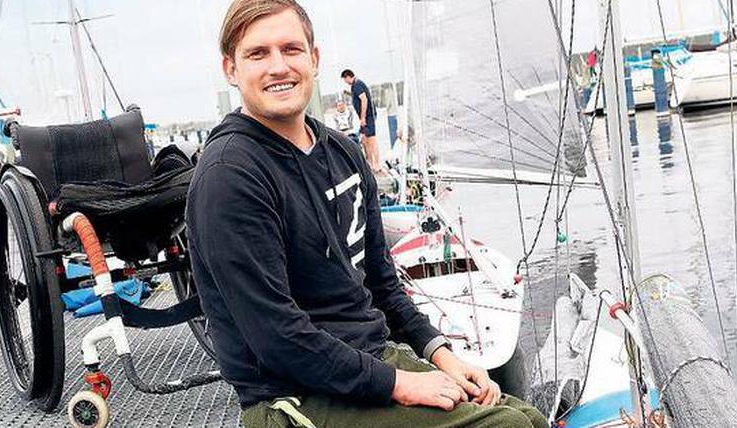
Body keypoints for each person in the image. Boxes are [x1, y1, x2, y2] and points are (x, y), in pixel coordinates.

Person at [187, 1, 546, 427]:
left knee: (527, 416)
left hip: (371, 359)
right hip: (292, 395)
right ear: (231, 69)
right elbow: (275, 336)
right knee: (507, 427)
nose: (278, 66)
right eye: (258, 54)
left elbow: (382, 284)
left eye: (291, 49)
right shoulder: (230, 176)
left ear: (314, 58)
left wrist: (441, 353)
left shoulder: (343, 153)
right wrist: (399, 384)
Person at [340, 68, 381, 173]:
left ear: (348, 76)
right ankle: (369, 163)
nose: (345, 82)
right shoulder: (355, 85)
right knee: (364, 140)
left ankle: (377, 164)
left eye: (345, 80)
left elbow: (364, 99)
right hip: (365, 117)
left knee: (371, 140)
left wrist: (363, 118)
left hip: (368, 116)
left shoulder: (357, 84)